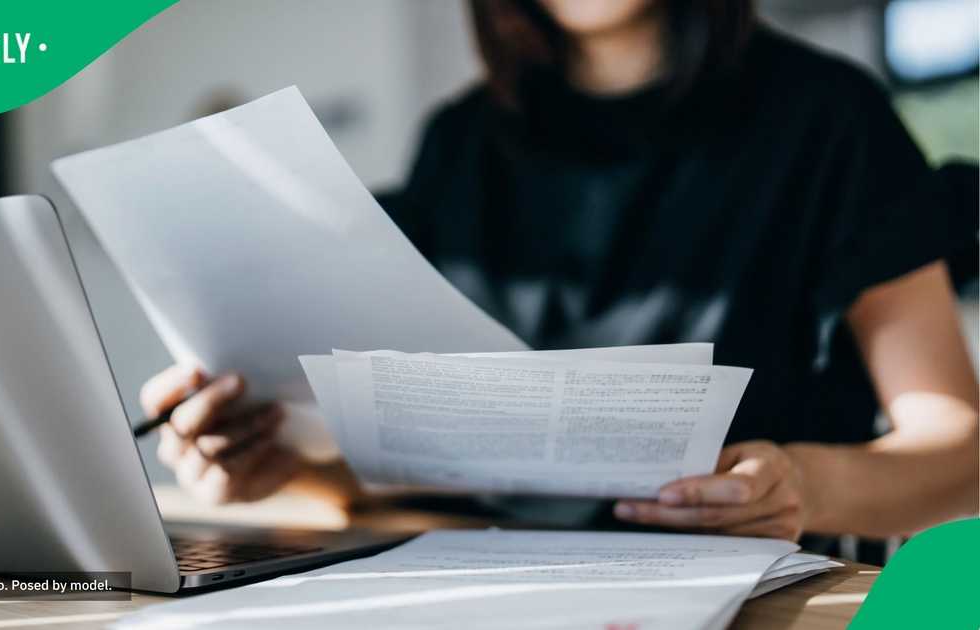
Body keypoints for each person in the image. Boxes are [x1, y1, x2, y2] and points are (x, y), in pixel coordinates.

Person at [140, 0, 979, 552]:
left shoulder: (832, 120)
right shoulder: (459, 145)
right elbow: (431, 465)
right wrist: (280, 463)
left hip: (745, 595)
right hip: (482, 587)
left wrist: (804, 482)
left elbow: (961, 455)